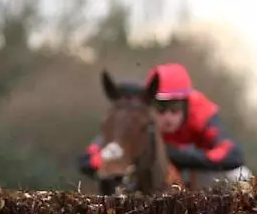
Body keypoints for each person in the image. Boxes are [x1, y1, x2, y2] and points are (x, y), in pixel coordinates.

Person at [79, 62, 250, 183]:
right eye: (161, 108)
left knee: (239, 175)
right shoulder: (137, 116)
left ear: (187, 103)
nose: (168, 116)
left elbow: (233, 155)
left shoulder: (201, 111)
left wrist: (176, 155)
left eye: (175, 108)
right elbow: (90, 158)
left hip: (196, 173)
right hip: (151, 178)